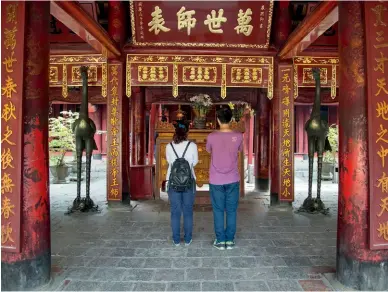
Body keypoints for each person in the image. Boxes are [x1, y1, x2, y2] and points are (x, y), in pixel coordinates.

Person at [206, 106, 243, 250]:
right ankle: (230, 240)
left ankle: (220, 240)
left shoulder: (211, 136)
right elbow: (239, 150)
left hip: (216, 179)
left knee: (218, 210)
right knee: (232, 210)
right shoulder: (239, 135)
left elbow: (209, 150)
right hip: (233, 178)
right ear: (232, 119)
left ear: (217, 120)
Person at [166, 119, 198, 246]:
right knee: (188, 211)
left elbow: (170, 161)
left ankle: (176, 239)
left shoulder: (169, 146)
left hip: (173, 181)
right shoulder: (192, 146)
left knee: (175, 211)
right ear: (187, 132)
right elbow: (194, 162)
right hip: (189, 181)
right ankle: (188, 238)